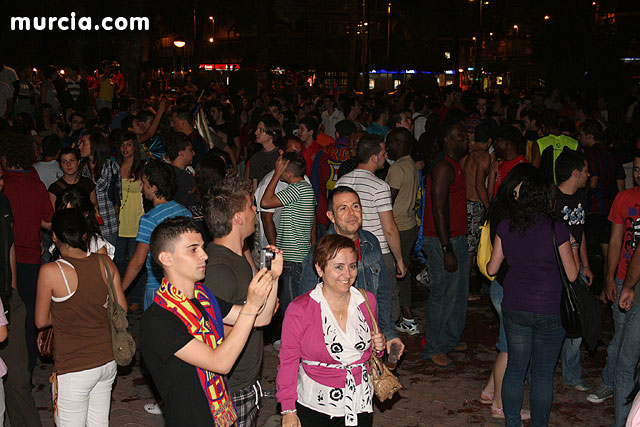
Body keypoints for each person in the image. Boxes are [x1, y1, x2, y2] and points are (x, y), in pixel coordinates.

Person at [140, 217, 280, 427]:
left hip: (222, 416)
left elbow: (261, 318)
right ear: (166, 259)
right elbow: (220, 363)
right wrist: (250, 306)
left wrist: (273, 276)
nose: (204, 255)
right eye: (193, 249)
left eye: (202, 248)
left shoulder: (204, 297)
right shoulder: (158, 319)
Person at [487, 172, 579, 427]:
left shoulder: (507, 226)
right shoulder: (557, 229)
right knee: (542, 374)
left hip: (515, 305)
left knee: (515, 369)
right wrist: (573, 246)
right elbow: (572, 275)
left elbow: (492, 269)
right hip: (550, 309)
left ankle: (512, 423)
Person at [277, 234, 386, 427]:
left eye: (352, 266)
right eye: (338, 267)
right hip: (316, 406)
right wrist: (288, 410)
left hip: (360, 401)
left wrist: (380, 346)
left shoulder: (366, 301)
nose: (347, 274)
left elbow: (371, 355)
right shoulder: (300, 309)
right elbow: (288, 362)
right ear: (320, 269)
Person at [34, 208, 127, 426]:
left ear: (54, 236)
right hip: (106, 360)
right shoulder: (105, 263)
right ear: (85, 235)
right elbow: (121, 308)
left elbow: (41, 320)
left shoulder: (50, 271)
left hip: (74, 366)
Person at [204, 177, 282, 427]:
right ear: (237, 218)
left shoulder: (237, 257)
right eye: (250, 206)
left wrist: (272, 278)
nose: (255, 211)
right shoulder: (218, 270)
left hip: (246, 380)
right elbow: (218, 336)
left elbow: (261, 318)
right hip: (231, 388)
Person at [298, 186, 405, 355]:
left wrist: (388, 332)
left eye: (355, 206)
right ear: (331, 216)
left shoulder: (370, 242)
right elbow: (304, 304)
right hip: (336, 344)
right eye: (343, 208)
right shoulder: (320, 253)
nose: (352, 213)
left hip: (372, 338)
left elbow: (383, 293)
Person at [479, 163, 537, 421]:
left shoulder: (500, 207)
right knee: (510, 349)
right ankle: (500, 405)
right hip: (507, 287)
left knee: (505, 344)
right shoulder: (510, 213)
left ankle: (490, 391)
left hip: (500, 285)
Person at [336, 134, 408, 331]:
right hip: (377, 253)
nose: (386, 156)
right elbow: (389, 228)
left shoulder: (341, 181)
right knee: (382, 303)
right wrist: (399, 260)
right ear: (374, 157)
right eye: (383, 153)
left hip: (346, 250)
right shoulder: (380, 186)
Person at [588, 151, 640, 415]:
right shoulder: (624, 198)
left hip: (634, 282)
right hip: (624, 278)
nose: (638, 174)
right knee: (620, 338)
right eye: (636, 169)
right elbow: (616, 240)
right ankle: (612, 383)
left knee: (629, 345)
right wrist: (610, 276)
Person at [0, 132, 54, 375]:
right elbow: (49, 221)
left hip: (5, 261)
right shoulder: (36, 186)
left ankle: (10, 369)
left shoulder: (4, 186)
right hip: (31, 258)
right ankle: (28, 370)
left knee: (7, 316)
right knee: (32, 317)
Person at [421, 122, 469, 367]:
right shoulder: (442, 166)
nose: (466, 139)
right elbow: (437, 209)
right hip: (443, 240)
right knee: (442, 295)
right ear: (448, 140)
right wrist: (446, 247)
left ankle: (449, 339)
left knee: (458, 293)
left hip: (456, 238)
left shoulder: (453, 164)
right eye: (460, 135)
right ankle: (434, 347)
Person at [0, 167, 42, 427]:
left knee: (17, 377)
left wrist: (13, 287)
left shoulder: (3, 201)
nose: (1, 184)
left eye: (1, 178)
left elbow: (11, 244)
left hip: (8, 301)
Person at [120, 159, 192, 310]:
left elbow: (138, 261)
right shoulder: (184, 211)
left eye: (144, 183)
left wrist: (120, 290)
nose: (141, 187)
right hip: (183, 284)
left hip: (158, 287)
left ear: (153, 188)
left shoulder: (149, 219)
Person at [554, 149, 593, 392]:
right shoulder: (553, 200)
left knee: (576, 322)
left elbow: (581, 232)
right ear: (575, 173)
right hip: (559, 272)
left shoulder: (580, 198)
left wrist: (586, 265)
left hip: (577, 269)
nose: (589, 175)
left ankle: (571, 374)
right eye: (586, 170)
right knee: (559, 321)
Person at [261, 151, 316, 318]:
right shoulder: (304, 188)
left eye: (281, 168)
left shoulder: (297, 189)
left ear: (289, 173)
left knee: (292, 310)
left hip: (293, 260)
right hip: (298, 258)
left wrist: (276, 174)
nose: (278, 169)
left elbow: (265, 202)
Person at [385, 128, 420, 334]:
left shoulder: (398, 169)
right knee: (403, 272)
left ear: (399, 143)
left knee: (395, 274)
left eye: (389, 143)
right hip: (408, 224)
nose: (387, 147)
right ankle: (407, 317)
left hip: (397, 227)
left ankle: (404, 317)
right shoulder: (410, 164)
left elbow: (388, 202)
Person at [581, 119, 626, 275]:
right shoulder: (613, 153)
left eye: (581, 135)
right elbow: (621, 184)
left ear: (589, 136)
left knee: (591, 251)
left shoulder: (592, 154)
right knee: (609, 250)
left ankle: (595, 287)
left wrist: (584, 198)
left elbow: (592, 182)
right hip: (612, 208)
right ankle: (608, 286)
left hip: (595, 207)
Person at [115, 132, 145, 308]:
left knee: (136, 261)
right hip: (119, 221)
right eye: (122, 145)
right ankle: (120, 293)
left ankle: (135, 298)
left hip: (137, 220)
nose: (125, 149)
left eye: (129, 144)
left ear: (134, 146)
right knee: (118, 260)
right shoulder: (115, 166)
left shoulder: (141, 166)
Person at [79, 130, 122, 246]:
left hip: (108, 222)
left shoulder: (111, 166)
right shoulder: (81, 168)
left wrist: (117, 217)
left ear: (94, 145)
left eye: (83, 143)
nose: (79, 147)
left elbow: (118, 196)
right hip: (88, 224)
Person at [460, 122, 491, 269]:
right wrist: (488, 206)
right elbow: (479, 185)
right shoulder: (483, 157)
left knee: (466, 241)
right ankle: (467, 281)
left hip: (463, 202)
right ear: (489, 141)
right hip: (475, 204)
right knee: (472, 245)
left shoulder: (466, 156)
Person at [48, 147, 98, 212]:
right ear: (60, 165)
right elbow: (54, 213)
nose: (68, 165)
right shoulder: (54, 188)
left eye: (72, 160)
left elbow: (95, 205)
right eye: (64, 162)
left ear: (78, 162)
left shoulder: (88, 183)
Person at [246, 115, 281, 192]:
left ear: (273, 133)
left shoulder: (281, 156)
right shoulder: (255, 158)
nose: (256, 132)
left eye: (261, 130)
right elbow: (255, 188)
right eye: (257, 129)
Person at [164, 131, 196, 208]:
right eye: (190, 150)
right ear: (181, 153)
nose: (194, 153)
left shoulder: (165, 171)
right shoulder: (184, 177)